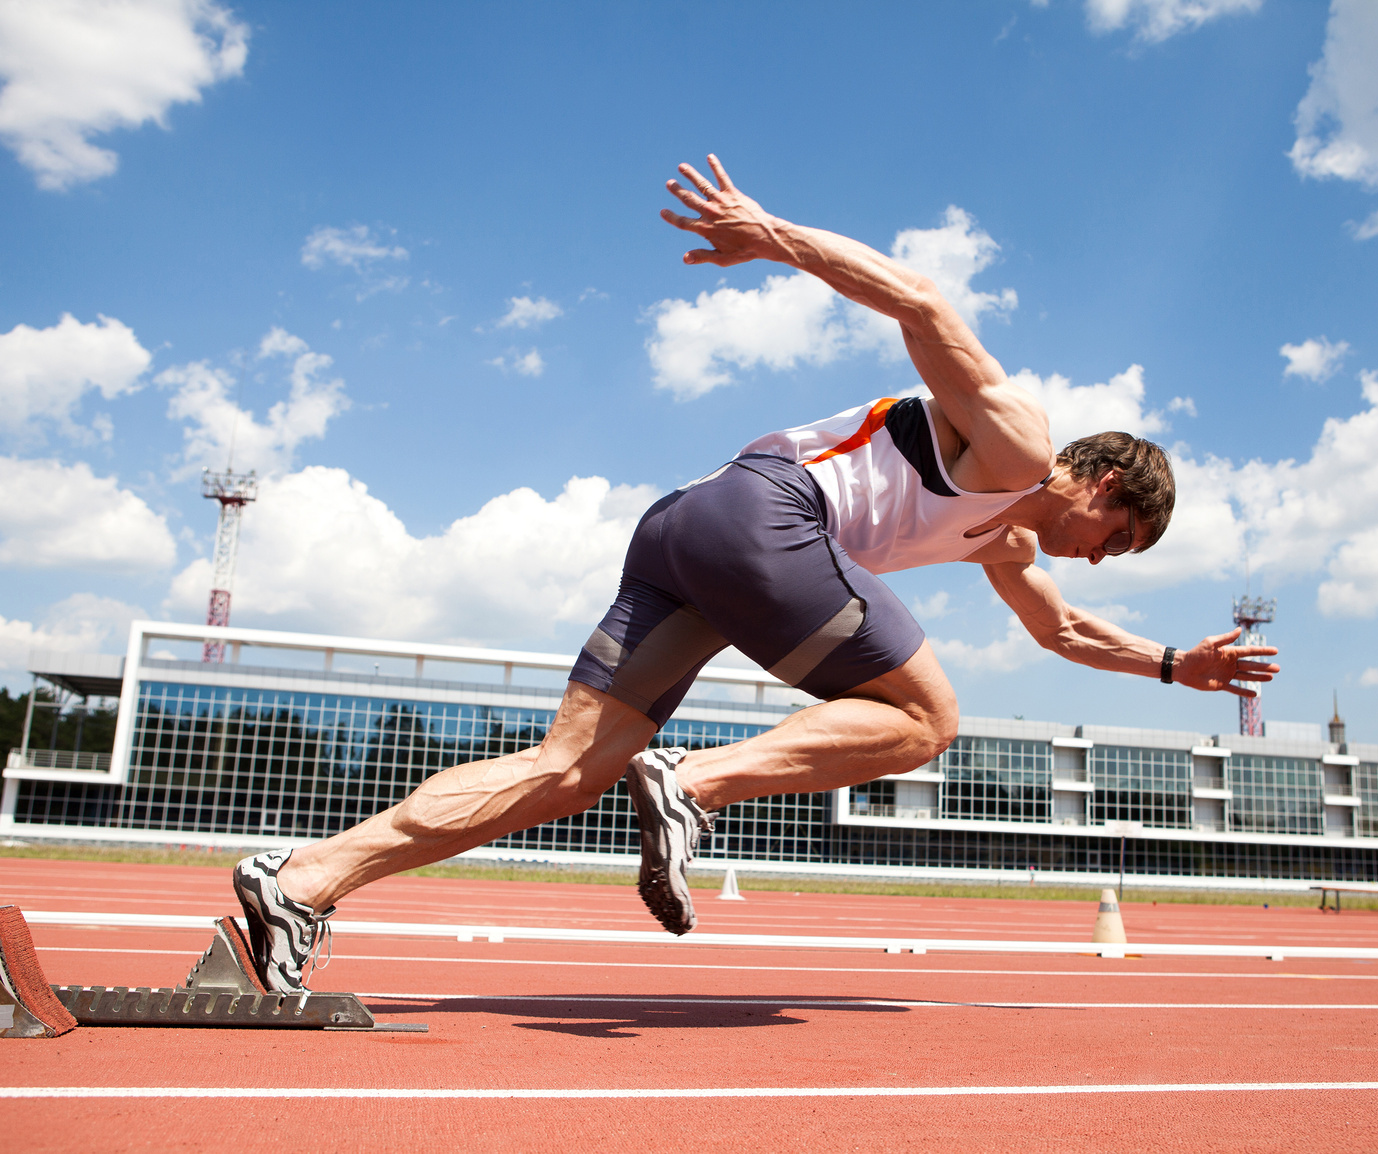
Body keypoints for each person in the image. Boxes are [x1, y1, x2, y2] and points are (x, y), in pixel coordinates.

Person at [232, 155, 1280, 991]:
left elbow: (1059, 633)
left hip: (686, 532)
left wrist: (1169, 663)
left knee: (567, 766)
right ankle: (692, 783)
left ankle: (305, 879)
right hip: (765, 514)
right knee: (925, 717)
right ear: (1100, 481)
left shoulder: (1001, 539)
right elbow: (920, 303)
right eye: (1117, 538)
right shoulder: (1015, 444)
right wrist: (770, 233)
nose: (1101, 557)